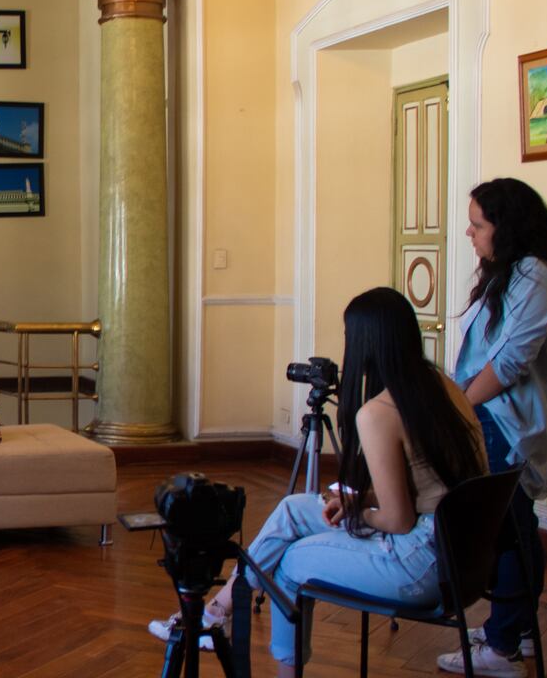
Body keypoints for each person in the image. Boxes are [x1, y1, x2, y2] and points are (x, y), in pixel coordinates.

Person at [149, 287, 487, 677]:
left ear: (363, 343)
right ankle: (217, 610)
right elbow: (427, 484)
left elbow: (398, 521)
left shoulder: (379, 412)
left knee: (292, 562)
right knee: (294, 508)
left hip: (420, 562)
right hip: (462, 553)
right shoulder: (442, 385)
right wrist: (360, 501)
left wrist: (358, 512)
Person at [436, 178, 547, 677]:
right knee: (515, 527)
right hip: (497, 420)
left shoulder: (535, 277)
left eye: (478, 225)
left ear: (507, 225)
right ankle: (515, 629)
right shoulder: (517, 272)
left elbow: (508, 363)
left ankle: (502, 647)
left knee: (505, 527)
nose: (470, 233)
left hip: (506, 424)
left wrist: (457, 408)